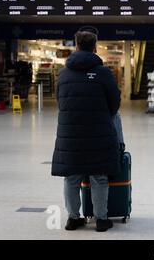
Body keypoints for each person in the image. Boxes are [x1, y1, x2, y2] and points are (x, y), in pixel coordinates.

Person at [51, 30, 121, 232]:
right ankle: (101, 220)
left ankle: (73, 218)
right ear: (95, 47)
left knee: (72, 176)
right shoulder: (103, 73)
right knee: (99, 176)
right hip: (98, 132)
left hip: (70, 133)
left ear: (76, 46)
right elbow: (114, 103)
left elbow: (60, 101)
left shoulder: (64, 74)